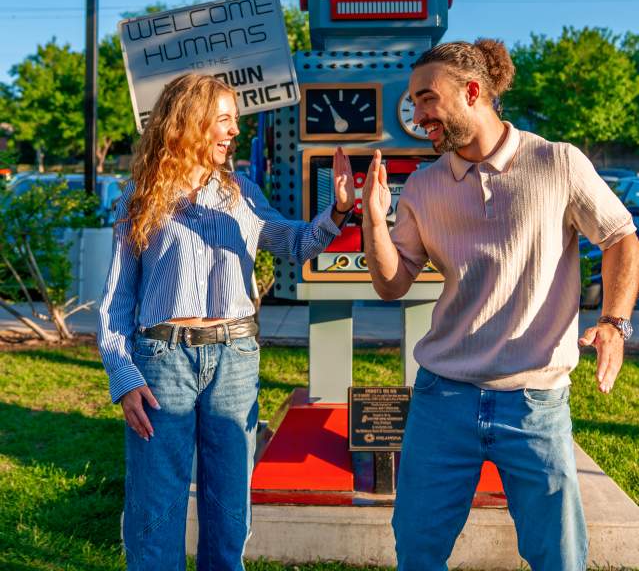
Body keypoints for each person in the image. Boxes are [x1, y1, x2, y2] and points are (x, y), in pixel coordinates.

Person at [362, 39, 639, 571]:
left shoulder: (557, 162)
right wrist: (374, 221)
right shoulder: (422, 186)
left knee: (558, 557)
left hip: (534, 402)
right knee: (417, 552)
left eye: (426, 99)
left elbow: (621, 236)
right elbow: (393, 285)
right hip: (441, 398)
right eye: (414, 102)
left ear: (472, 92)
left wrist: (613, 322)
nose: (416, 116)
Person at [97, 73, 354, 571]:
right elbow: (115, 303)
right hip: (161, 362)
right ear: (190, 122)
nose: (234, 131)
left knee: (229, 503)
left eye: (235, 121)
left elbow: (296, 244)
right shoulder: (140, 197)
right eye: (224, 120)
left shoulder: (243, 194)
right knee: (156, 503)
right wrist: (123, 377)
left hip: (235, 360)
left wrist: (339, 210)